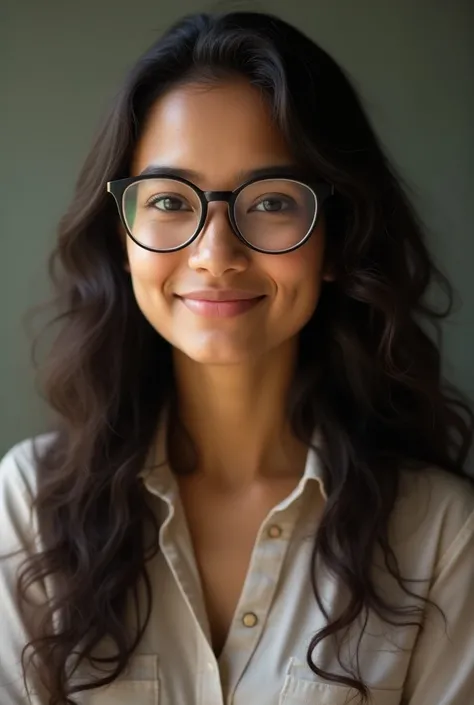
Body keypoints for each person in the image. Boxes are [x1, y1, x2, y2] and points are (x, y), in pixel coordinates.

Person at [0, 10, 473, 705]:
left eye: (272, 201)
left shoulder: (441, 535)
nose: (216, 253)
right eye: (168, 199)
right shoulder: (27, 505)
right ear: (122, 238)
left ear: (336, 238)